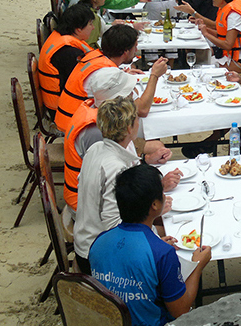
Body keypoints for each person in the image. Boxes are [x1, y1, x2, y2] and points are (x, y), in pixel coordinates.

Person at [89, 164, 212, 325]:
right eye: (162, 192)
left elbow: (126, 259)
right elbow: (179, 310)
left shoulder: (99, 241)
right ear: (154, 205)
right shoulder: (162, 253)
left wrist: (154, 246)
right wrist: (197, 266)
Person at [74, 98, 179, 274]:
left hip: (86, 238)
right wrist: (154, 241)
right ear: (130, 129)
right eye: (137, 119)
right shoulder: (116, 169)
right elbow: (114, 225)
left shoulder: (97, 148)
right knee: (174, 250)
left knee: (165, 226)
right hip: (98, 253)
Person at [62, 71, 176, 217]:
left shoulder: (100, 121)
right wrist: (157, 191)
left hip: (97, 210)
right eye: (129, 95)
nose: (133, 96)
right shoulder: (96, 134)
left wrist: (145, 160)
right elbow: (116, 211)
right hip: (87, 212)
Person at [54, 24, 168, 133]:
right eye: (135, 46)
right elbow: (142, 110)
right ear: (125, 51)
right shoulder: (108, 74)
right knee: (151, 141)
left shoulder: (95, 57)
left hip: (71, 120)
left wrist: (123, 75)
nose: (136, 49)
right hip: (83, 130)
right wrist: (154, 75)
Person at [37, 4, 95, 117]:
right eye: (90, 24)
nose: (93, 27)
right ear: (78, 29)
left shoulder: (58, 37)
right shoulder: (69, 53)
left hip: (57, 104)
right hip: (63, 112)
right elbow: (83, 84)